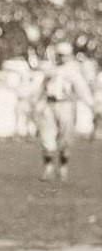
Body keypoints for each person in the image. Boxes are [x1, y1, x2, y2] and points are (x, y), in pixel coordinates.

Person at [36, 41, 93, 181]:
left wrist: (91, 105)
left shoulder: (73, 72)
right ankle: (48, 168)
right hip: (50, 104)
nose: (61, 58)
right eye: (59, 54)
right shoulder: (51, 70)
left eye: (64, 55)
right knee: (47, 137)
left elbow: (83, 91)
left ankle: (63, 167)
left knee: (65, 138)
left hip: (66, 105)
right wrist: (37, 103)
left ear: (69, 56)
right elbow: (42, 88)